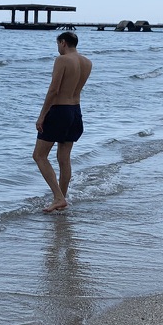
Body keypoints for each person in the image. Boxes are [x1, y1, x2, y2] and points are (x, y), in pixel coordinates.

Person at [33, 31, 93, 213]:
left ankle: (59, 198)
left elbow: (53, 90)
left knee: (39, 156)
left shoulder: (62, 60)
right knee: (64, 158)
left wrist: (42, 115)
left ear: (63, 43)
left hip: (59, 110)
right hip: (75, 111)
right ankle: (61, 200)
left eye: (58, 44)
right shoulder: (87, 62)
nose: (58, 48)